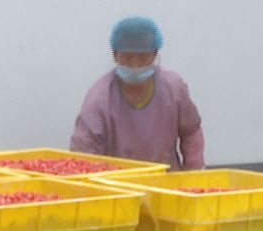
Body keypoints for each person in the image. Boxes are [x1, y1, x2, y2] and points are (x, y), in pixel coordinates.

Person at [70, 16, 205, 170]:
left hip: (167, 182)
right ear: (115, 55)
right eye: (127, 58)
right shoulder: (99, 99)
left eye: (142, 58)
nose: (135, 65)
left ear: (155, 55)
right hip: (119, 185)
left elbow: (191, 133)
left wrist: (192, 175)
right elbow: (84, 154)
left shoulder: (173, 89)